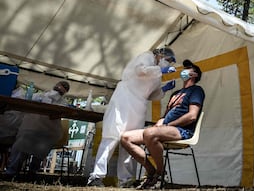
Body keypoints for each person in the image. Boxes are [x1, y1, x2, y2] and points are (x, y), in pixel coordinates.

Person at [87, 47, 177, 188]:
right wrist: (161, 70)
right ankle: (96, 177)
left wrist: (163, 89)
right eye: (168, 61)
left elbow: (152, 95)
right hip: (124, 99)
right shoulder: (146, 57)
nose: (168, 64)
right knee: (111, 137)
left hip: (138, 106)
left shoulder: (157, 74)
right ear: (160, 55)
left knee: (129, 142)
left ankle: (126, 180)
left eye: (170, 63)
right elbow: (140, 70)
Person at [121, 59, 205, 190]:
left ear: (194, 75)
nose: (183, 71)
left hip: (182, 131)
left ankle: (160, 175)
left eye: (187, 69)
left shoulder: (197, 90)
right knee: (125, 138)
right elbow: (165, 116)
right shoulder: (176, 94)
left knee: (150, 133)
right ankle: (151, 172)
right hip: (166, 128)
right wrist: (160, 123)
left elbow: (192, 116)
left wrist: (168, 124)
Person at [4, 80, 70, 179]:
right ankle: (12, 172)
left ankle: (32, 173)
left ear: (66, 92)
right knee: (21, 145)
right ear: (55, 85)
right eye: (61, 85)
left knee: (41, 149)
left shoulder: (64, 103)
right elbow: (26, 101)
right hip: (30, 129)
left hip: (48, 132)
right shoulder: (40, 96)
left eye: (65, 87)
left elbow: (61, 113)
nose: (61, 87)